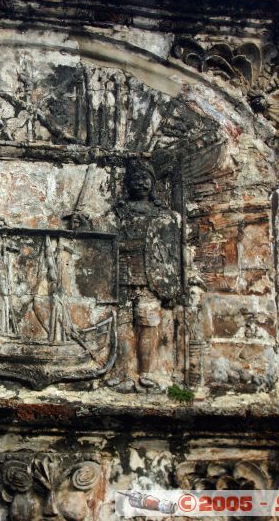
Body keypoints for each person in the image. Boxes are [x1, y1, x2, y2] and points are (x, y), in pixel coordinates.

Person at [114, 159, 181, 389]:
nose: (140, 183)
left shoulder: (163, 215)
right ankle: (125, 373)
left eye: (145, 178)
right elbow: (102, 228)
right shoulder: (119, 212)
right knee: (122, 326)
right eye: (135, 178)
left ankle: (147, 373)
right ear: (128, 183)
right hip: (123, 274)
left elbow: (169, 250)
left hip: (151, 280)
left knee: (148, 325)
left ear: (152, 183)